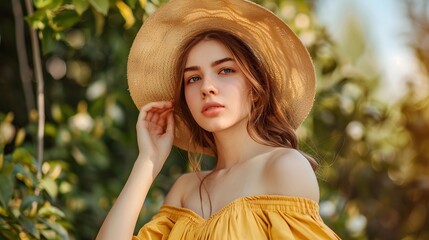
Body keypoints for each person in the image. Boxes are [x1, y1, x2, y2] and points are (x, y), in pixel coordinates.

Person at [97, 0, 341, 239]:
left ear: (256, 87)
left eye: (225, 70)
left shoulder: (283, 167)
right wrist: (147, 161)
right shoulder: (184, 190)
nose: (207, 87)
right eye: (193, 78)